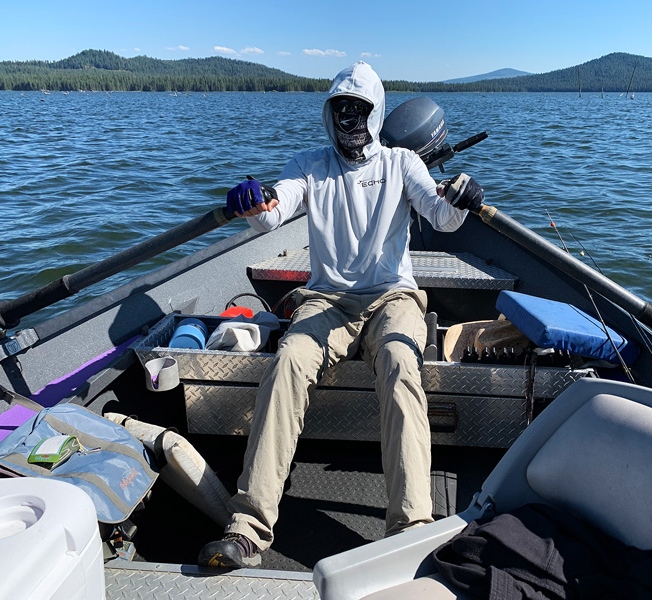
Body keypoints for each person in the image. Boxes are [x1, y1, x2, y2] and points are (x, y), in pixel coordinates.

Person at [198, 61, 485, 569]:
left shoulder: (401, 163)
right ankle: (247, 529)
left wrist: (463, 196)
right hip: (326, 302)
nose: (349, 121)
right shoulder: (308, 164)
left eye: (358, 110)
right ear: (328, 115)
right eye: (340, 110)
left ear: (375, 114)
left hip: (392, 299)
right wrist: (254, 198)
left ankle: (411, 529)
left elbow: (440, 215)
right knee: (287, 361)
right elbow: (274, 210)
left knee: (400, 362)